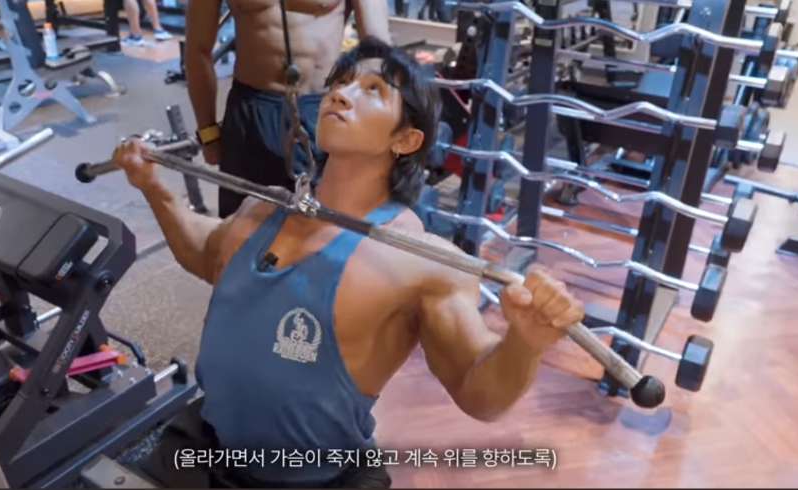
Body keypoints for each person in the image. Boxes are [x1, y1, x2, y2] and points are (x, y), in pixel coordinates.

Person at [111, 37, 585, 488]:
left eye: (373, 90)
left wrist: (525, 342)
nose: (340, 95)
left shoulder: (421, 263)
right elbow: (207, 252)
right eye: (340, 82)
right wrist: (155, 189)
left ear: (405, 139)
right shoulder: (263, 208)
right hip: (207, 448)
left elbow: (478, 392)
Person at [182, 0, 391, 218]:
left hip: (320, 110)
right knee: (241, 225)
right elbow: (198, 50)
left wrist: (379, 139)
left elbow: (378, 53)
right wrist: (208, 132)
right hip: (251, 112)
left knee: (320, 225)